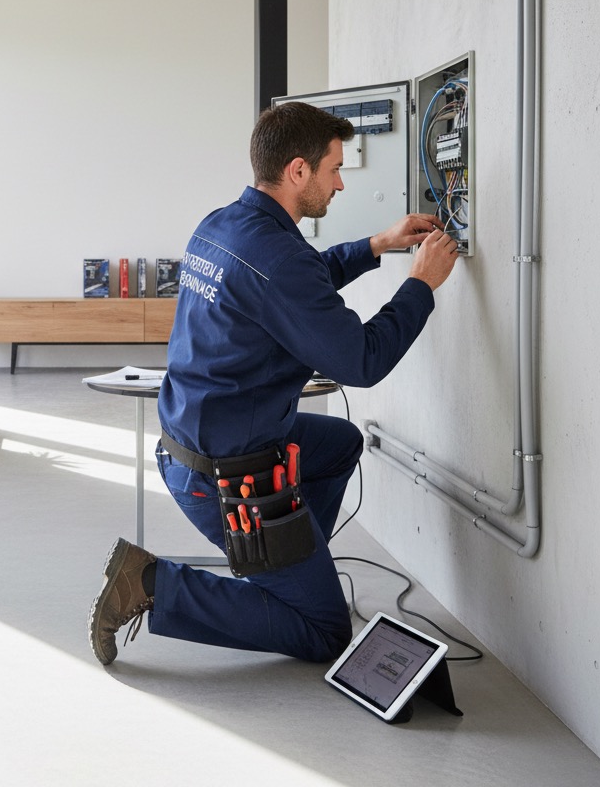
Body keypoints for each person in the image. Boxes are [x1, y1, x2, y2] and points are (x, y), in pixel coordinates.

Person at [88, 101, 459, 666]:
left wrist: (376, 244)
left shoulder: (223, 225)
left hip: (192, 442)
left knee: (339, 446)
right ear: (298, 171)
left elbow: (294, 282)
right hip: (222, 475)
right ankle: (153, 584)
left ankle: (290, 560)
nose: (339, 183)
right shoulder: (278, 257)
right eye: (334, 169)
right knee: (324, 632)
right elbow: (361, 360)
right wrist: (421, 286)